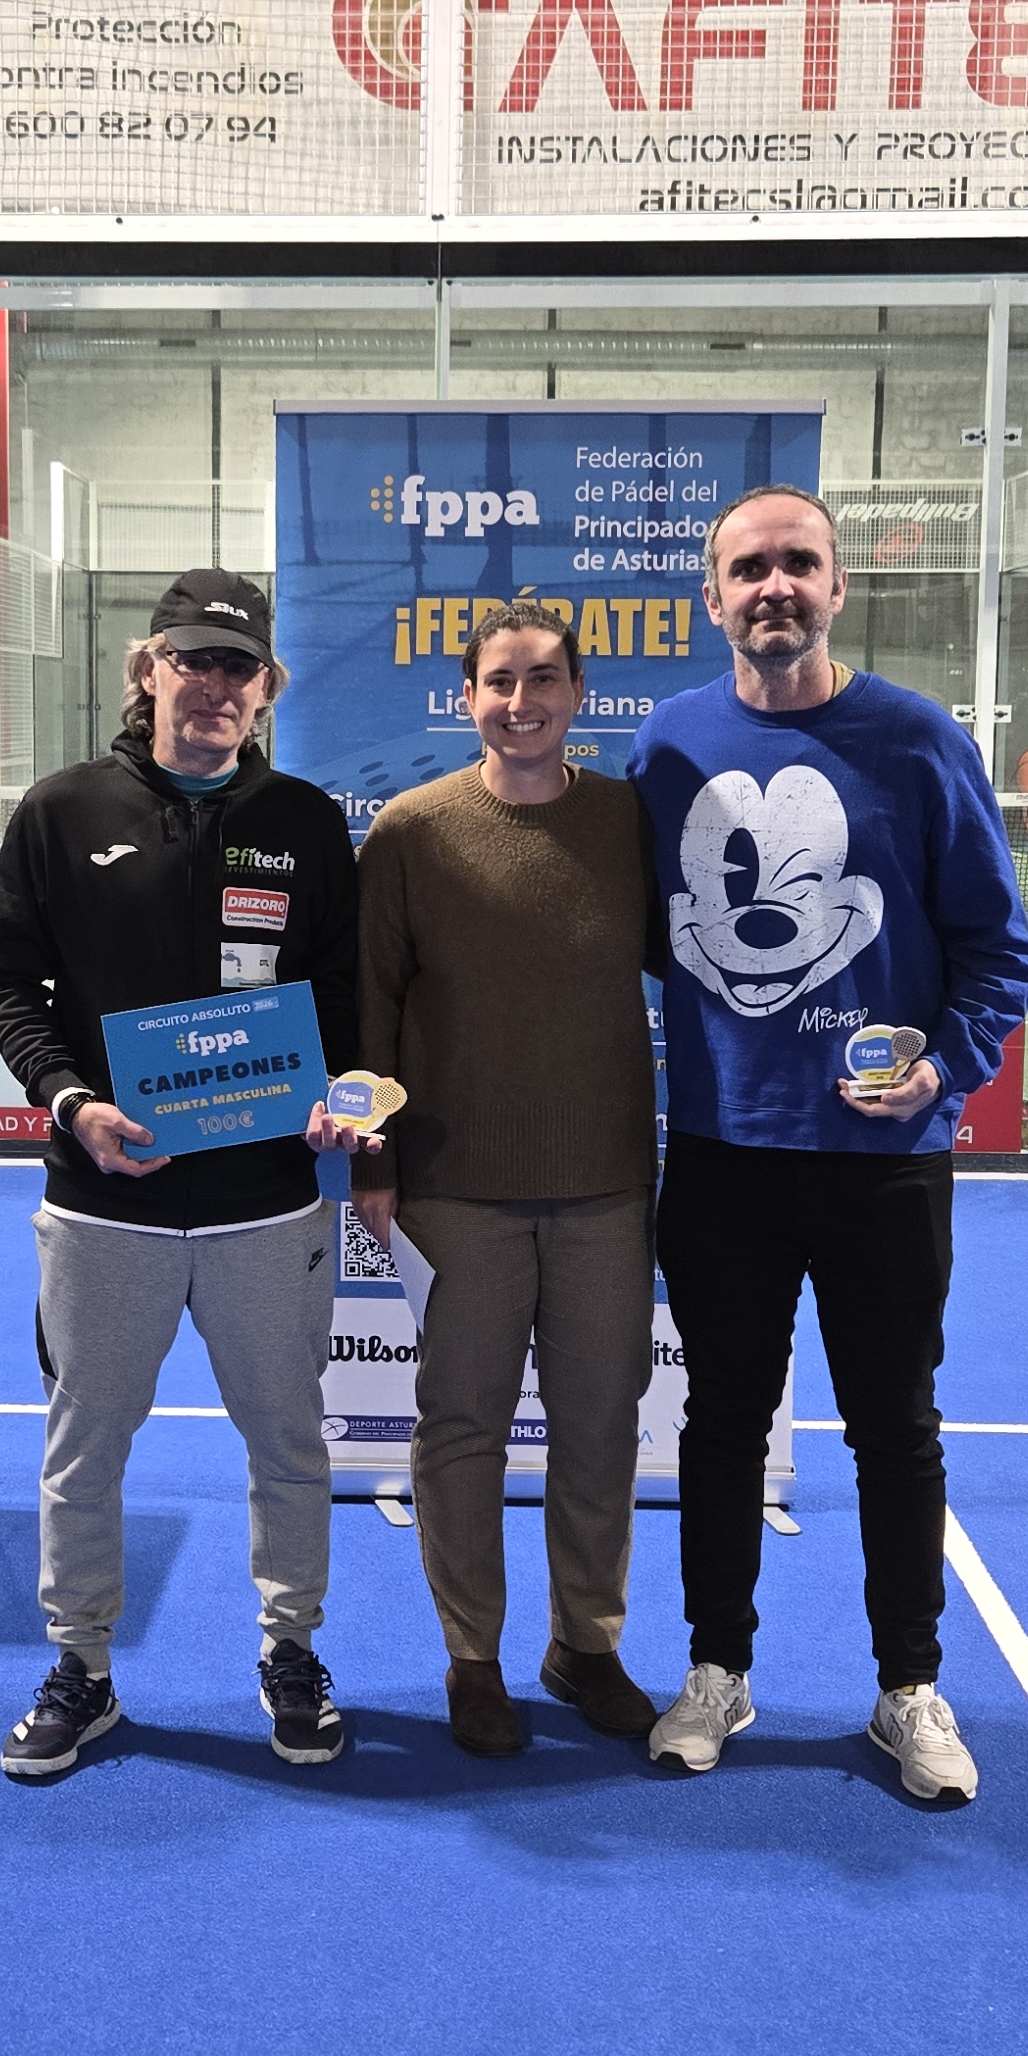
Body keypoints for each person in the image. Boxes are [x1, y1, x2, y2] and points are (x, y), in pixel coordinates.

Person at [627, 485, 1028, 1808]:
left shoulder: (918, 739)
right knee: (720, 1425)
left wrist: (940, 1067)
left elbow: (1000, 952)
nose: (775, 587)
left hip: (884, 1163)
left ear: (837, 585)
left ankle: (907, 1684)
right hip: (724, 1157)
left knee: (893, 1429)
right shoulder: (668, 743)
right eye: (749, 567)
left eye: (798, 562)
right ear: (712, 596)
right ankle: (717, 1669)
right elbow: (642, 931)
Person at [0, 566, 381, 1781]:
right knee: (84, 1451)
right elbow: (7, 982)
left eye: (235, 666)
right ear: (147, 669)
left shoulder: (306, 821)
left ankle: (291, 1648)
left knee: (287, 1442)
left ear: (266, 688)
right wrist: (71, 1100)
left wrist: (337, 1093)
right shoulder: (60, 810)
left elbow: (342, 992)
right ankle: (82, 1664)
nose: (211, 684)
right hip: (105, 1204)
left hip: (267, 1206)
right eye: (190, 659)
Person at [350, 601, 664, 1757]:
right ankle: (471, 1656)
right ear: (466, 697)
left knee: (601, 1425)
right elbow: (370, 1004)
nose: (520, 702)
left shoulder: (628, 820)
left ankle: (584, 1642)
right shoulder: (411, 829)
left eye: (541, 679)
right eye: (499, 681)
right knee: (461, 1424)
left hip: (605, 1184)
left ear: (578, 694)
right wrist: (374, 1160)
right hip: (453, 1185)